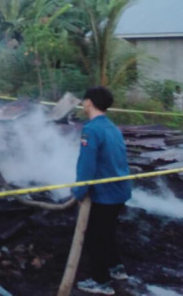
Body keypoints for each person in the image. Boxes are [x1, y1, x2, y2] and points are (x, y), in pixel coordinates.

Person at [73, 86, 132, 295]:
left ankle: (101, 281)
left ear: (89, 102)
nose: (82, 103)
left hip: (105, 194)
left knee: (94, 236)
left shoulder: (91, 130)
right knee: (107, 232)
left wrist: (78, 192)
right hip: (120, 190)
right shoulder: (111, 127)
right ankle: (116, 268)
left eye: (84, 100)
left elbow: (86, 166)